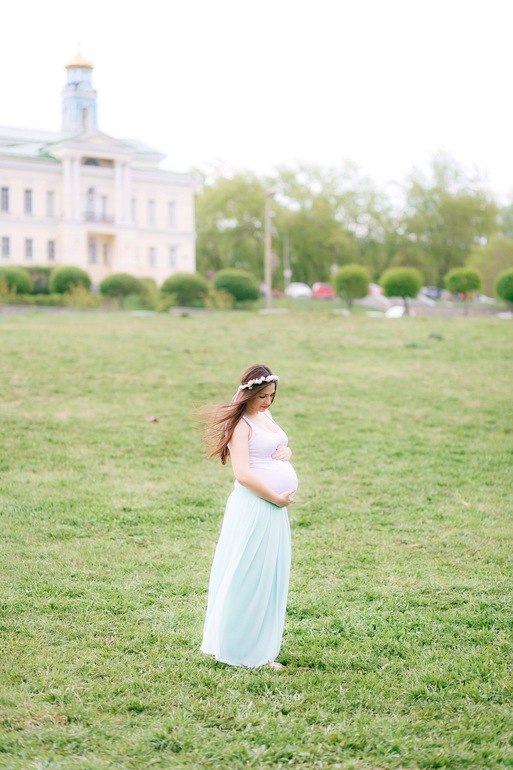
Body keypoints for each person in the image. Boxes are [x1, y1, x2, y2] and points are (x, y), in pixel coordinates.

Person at [201, 363, 298, 669]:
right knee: (249, 576)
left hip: (272, 509)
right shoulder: (241, 424)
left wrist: (287, 451)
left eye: (272, 396)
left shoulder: (264, 415)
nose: (267, 402)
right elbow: (242, 474)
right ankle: (244, 651)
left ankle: (259, 647)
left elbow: (273, 445)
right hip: (256, 507)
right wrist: (275, 497)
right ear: (248, 394)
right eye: (262, 396)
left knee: (268, 578)